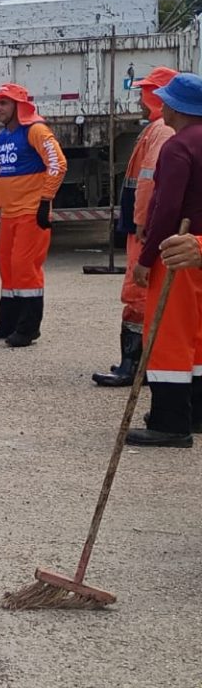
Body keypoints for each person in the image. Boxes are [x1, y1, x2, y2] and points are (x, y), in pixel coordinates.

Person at [125, 73, 202, 448]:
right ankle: (196, 412)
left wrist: (146, 256)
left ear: (176, 107)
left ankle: (170, 423)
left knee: (169, 337)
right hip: (199, 250)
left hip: (176, 254)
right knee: (199, 338)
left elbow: (166, 206)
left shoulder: (177, 146)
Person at [94, 67, 178, 387]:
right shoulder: (159, 128)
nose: (140, 100)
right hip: (142, 224)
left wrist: (143, 223)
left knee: (137, 293)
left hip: (143, 227)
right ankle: (140, 362)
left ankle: (132, 365)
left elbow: (148, 182)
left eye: (145, 93)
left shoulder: (160, 130)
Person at [0, 84, 67, 347]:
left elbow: (58, 164)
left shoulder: (36, 131)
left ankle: (28, 329)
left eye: (3, 103)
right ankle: (7, 323)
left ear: (18, 105)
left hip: (30, 213)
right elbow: (0, 175)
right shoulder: (4, 136)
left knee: (26, 269)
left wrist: (45, 200)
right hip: (10, 215)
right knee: (9, 268)